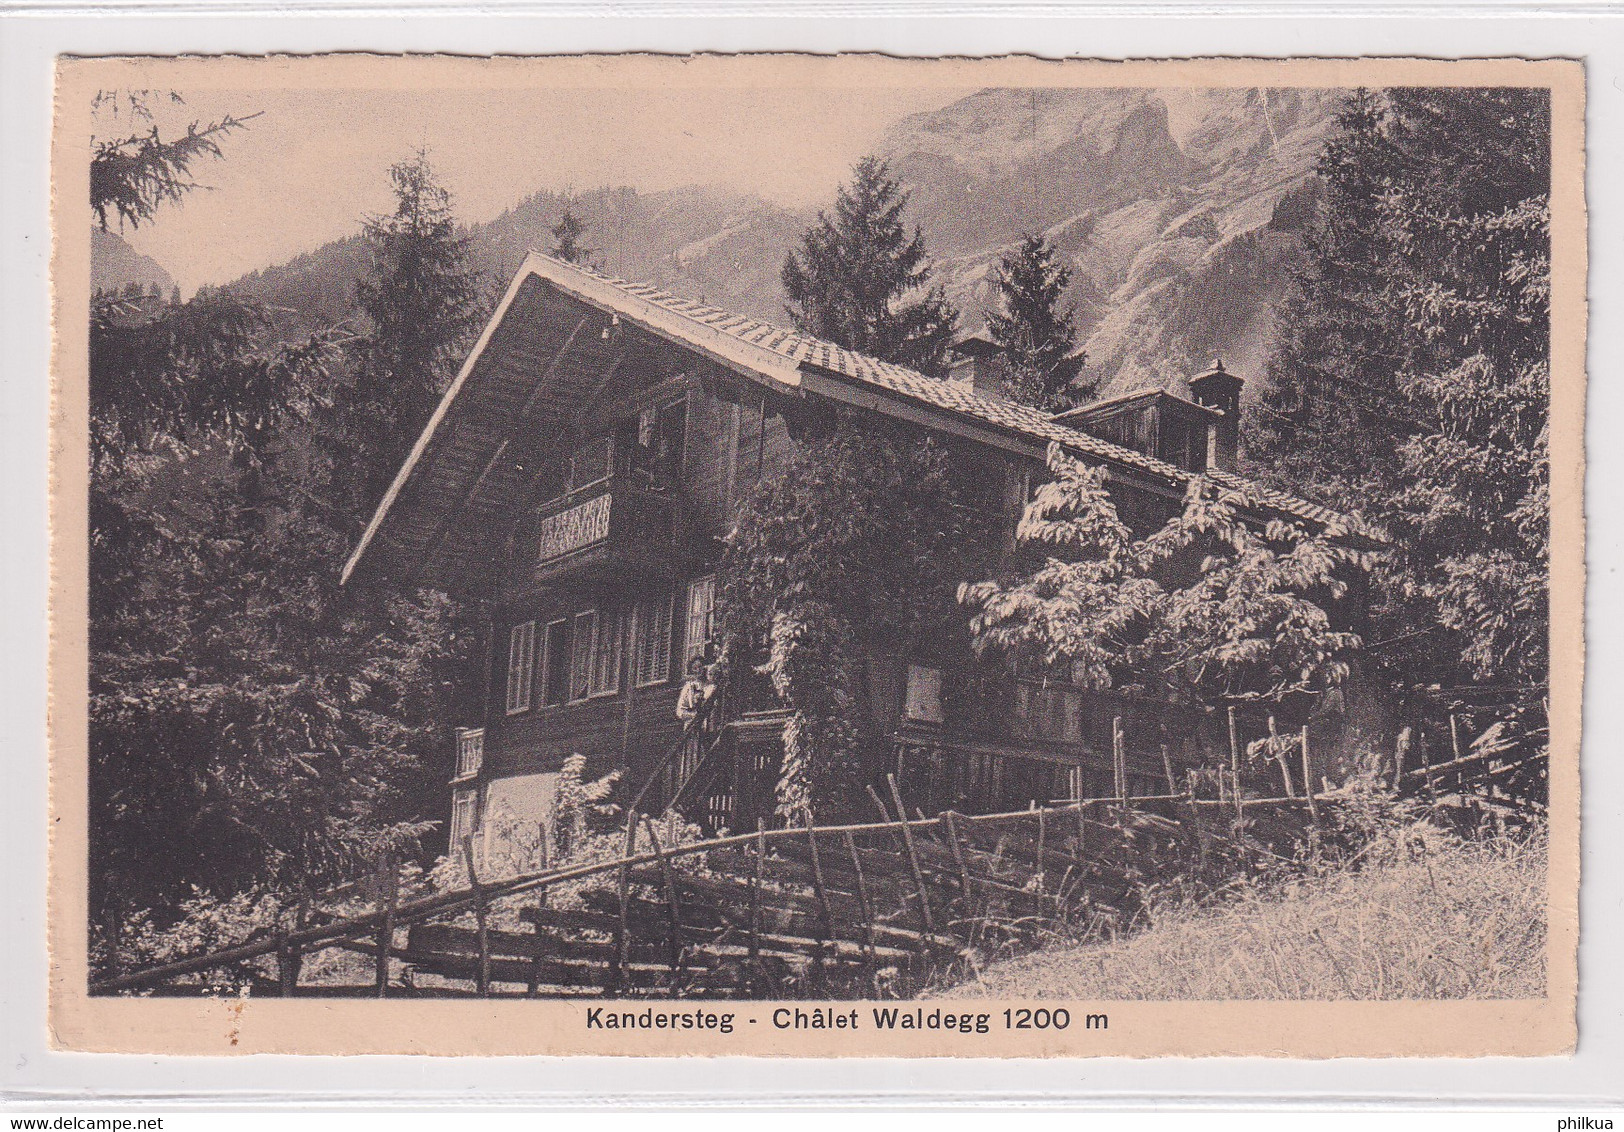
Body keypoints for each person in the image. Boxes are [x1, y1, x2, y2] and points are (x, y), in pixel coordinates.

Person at [675, 656, 709, 723]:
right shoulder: (689, 687)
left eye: (700, 667)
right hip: (693, 725)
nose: (698, 670)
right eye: (695, 668)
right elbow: (680, 711)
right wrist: (693, 715)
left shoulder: (711, 685)